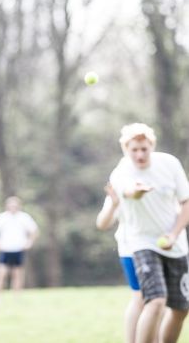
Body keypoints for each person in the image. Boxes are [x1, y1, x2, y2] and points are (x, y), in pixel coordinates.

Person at [108, 123, 189, 343]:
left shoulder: (170, 164)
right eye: (134, 149)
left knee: (181, 309)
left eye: (144, 148)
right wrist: (136, 191)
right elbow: (128, 192)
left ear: (152, 145)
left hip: (175, 243)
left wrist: (173, 234)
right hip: (141, 242)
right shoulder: (121, 172)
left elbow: (186, 202)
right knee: (155, 301)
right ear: (126, 149)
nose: (140, 154)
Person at [97, 183, 155, 343]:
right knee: (141, 298)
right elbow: (102, 223)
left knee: (158, 302)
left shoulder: (161, 177)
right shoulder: (121, 183)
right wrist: (114, 204)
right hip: (132, 249)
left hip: (163, 250)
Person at [0, 196, 38, 291]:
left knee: (17, 274)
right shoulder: (2, 217)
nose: (13, 207)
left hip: (18, 249)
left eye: (15, 205)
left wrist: (29, 243)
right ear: (7, 206)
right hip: (5, 249)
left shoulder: (24, 217)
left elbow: (34, 230)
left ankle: (16, 297)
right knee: (1, 273)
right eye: (11, 205)